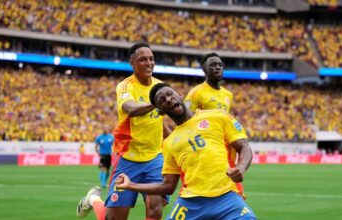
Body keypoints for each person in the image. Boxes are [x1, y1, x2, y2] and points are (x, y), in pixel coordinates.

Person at [115, 83, 257, 219]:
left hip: (226, 197)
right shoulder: (170, 143)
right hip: (190, 203)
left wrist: (241, 168)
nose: (169, 99)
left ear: (180, 95)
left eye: (170, 94)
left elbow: (244, 147)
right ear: (160, 111)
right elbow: (168, 186)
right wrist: (130, 185)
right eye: (162, 100)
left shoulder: (218, 116)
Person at [76, 43, 170, 220]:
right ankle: (94, 199)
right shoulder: (125, 86)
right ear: (132, 62)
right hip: (128, 158)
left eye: (151, 59)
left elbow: (160, 123)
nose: (149, 63)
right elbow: (131, 108)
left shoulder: (160, 86)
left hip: (155, 158)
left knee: (155, 210)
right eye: (143, 59)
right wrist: (155, 103)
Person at [184, 53, 246, 198]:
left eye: (219, 65)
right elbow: (185, 121)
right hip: (207, 149)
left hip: (226, 150)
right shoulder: (196, 93)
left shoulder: (227, 94)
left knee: (231, 194)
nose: (217, 67)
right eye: (212, 65)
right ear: (204, 70)